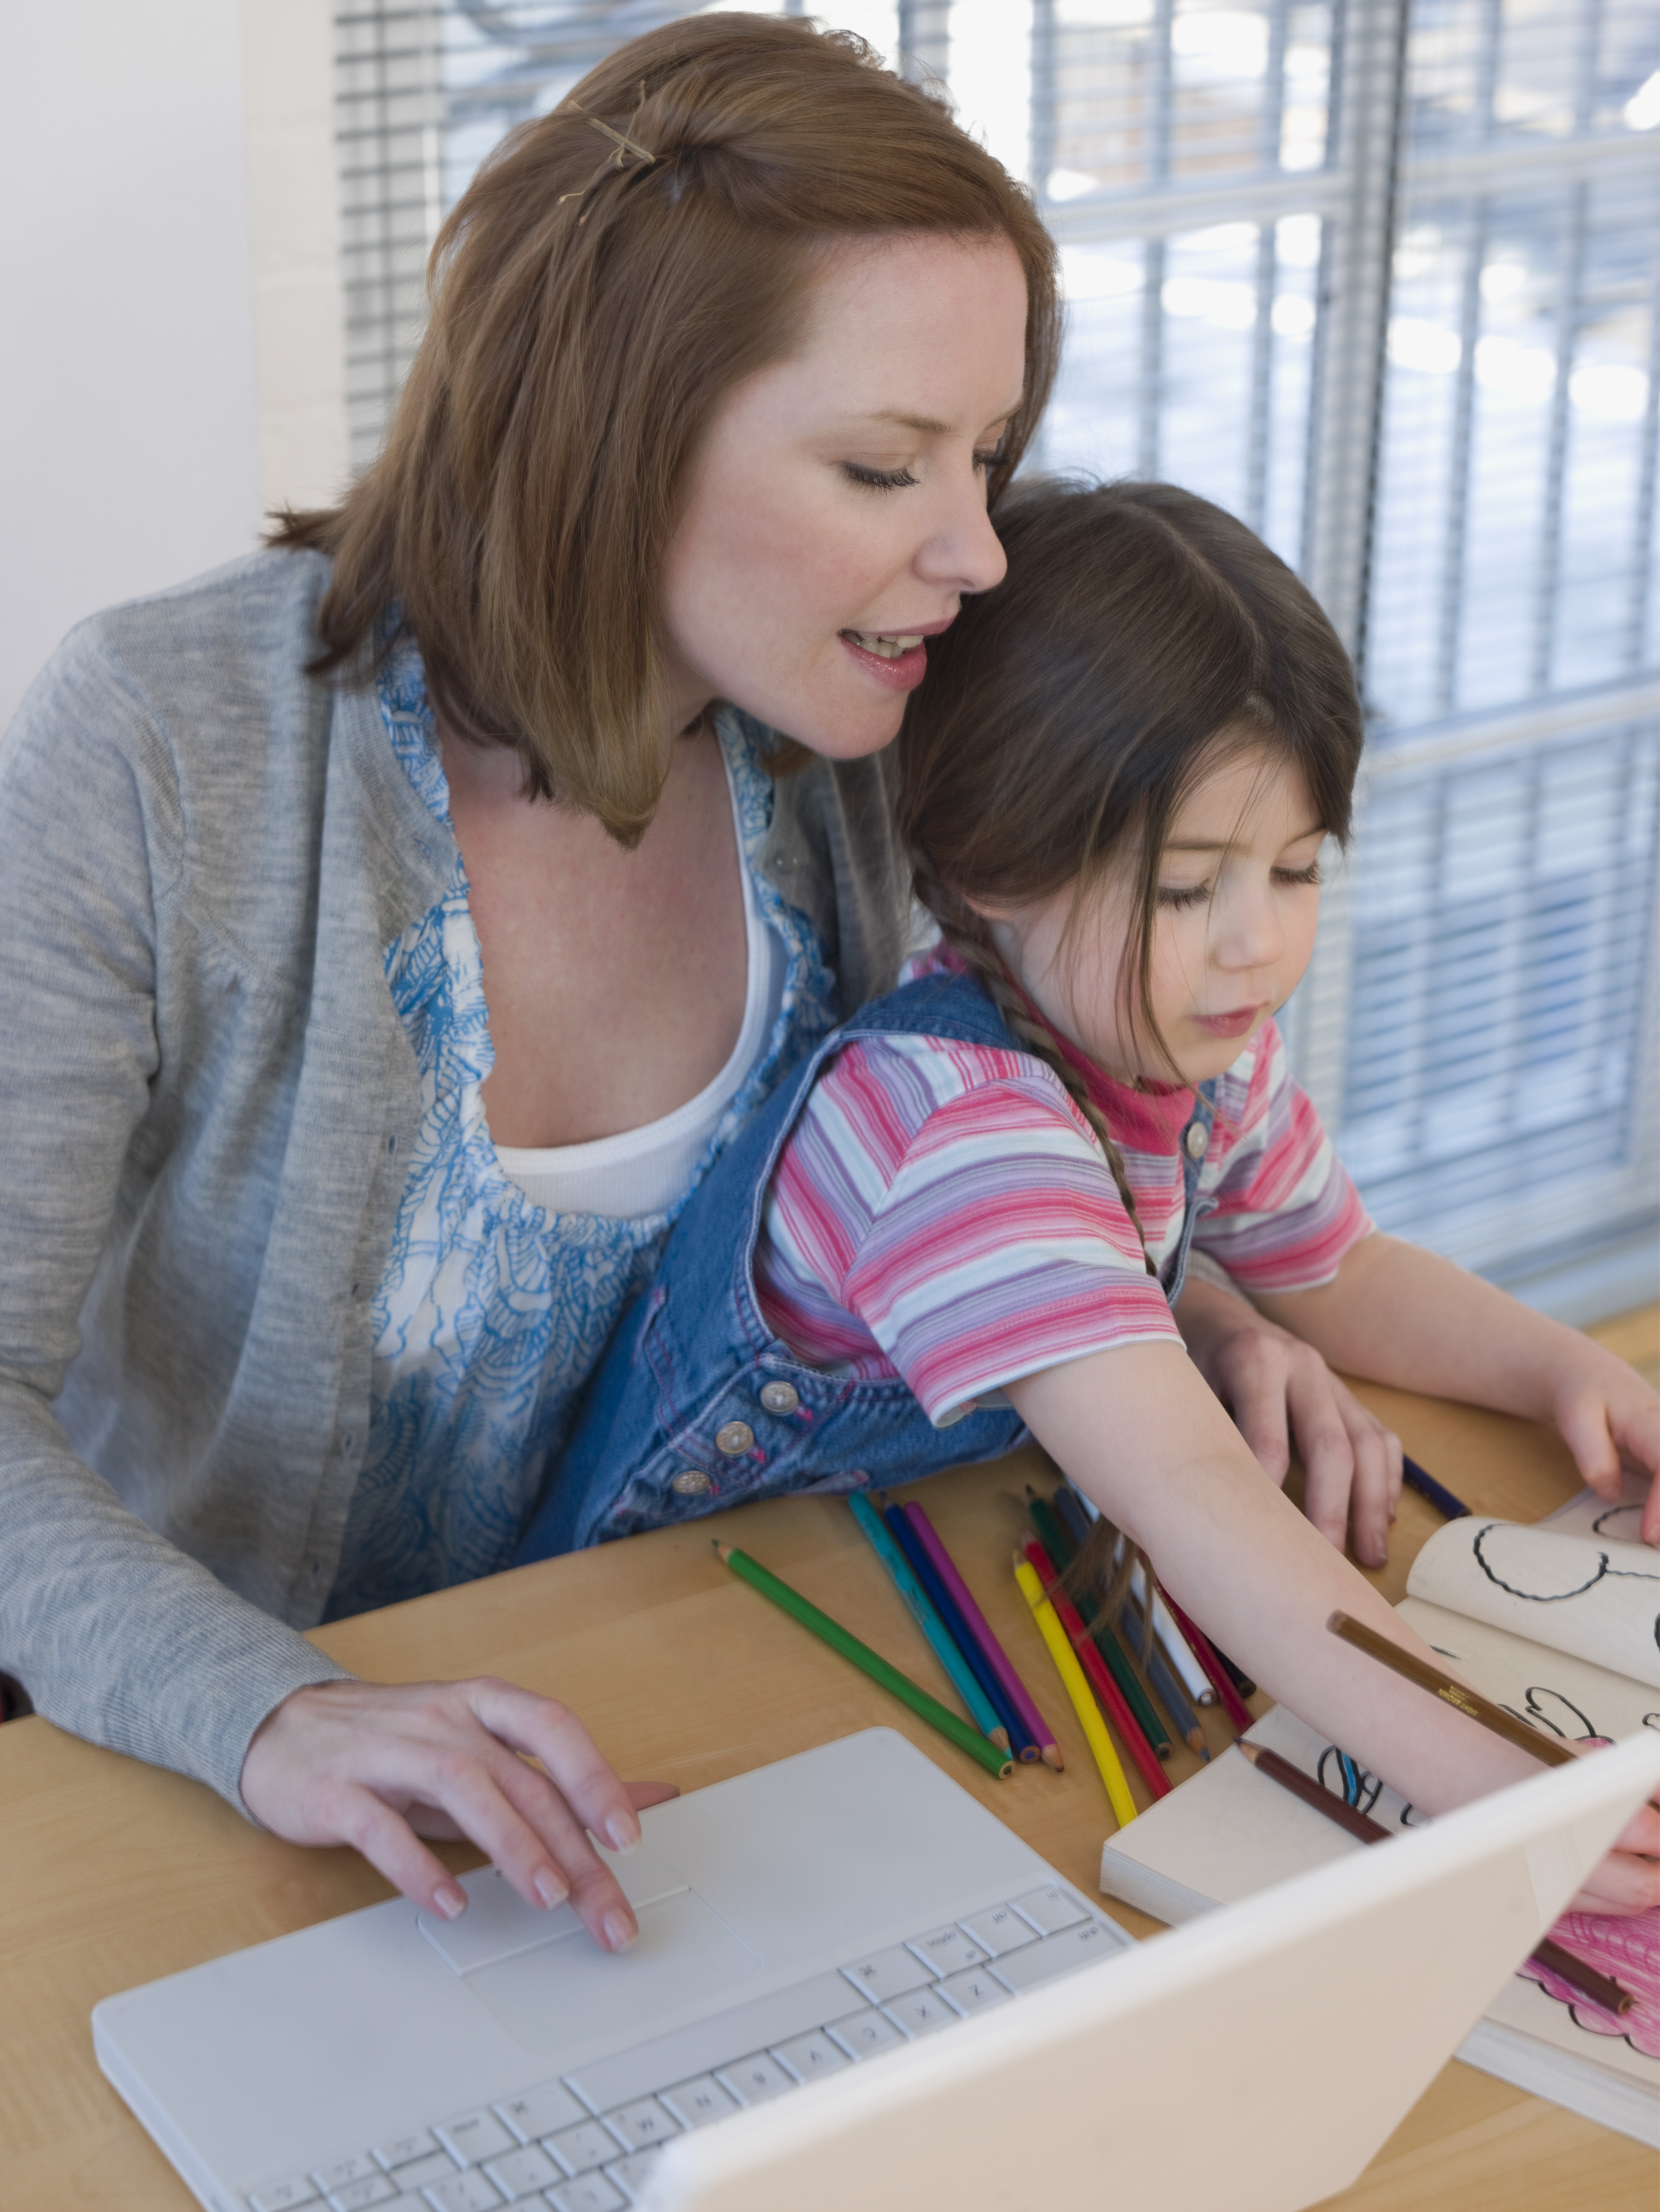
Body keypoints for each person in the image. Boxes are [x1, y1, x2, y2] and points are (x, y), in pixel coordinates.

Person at [0, 14, 1396, 1943]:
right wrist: (277, 1707)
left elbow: (979, 1105)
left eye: (985, 456)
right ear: (618, 433)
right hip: (238, 1776)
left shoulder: (842, 727)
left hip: (702, 1719)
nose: (978, 551)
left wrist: (1190, 1296)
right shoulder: (162, 743)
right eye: (880, 463)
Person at [520, 477, 1660, 1914]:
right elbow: (1187, 1491)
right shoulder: (951, 1136)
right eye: (1188, 891)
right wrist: (1485, 1774)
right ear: (998, 864)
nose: (1255, 944)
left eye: (1297, 869)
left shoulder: (1188, 1044)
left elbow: (1340, 1274)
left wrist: (1569, 1373)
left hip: (909, 1570)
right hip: (654, 1641)